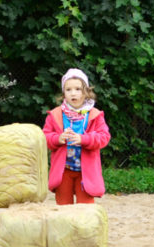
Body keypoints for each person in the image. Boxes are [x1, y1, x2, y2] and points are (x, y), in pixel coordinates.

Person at [42, 68, 110, 205]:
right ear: (63, 93)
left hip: (86, 173)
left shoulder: (95, 114)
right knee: (64, 208)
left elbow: (104, 137)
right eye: (68, 89)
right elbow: (44, 138)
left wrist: (83, 139)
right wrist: (57, 139)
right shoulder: (55, 115)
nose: (73, 93)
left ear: (86, 92)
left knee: (85, 209)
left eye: (78, 89)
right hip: (63, 172)